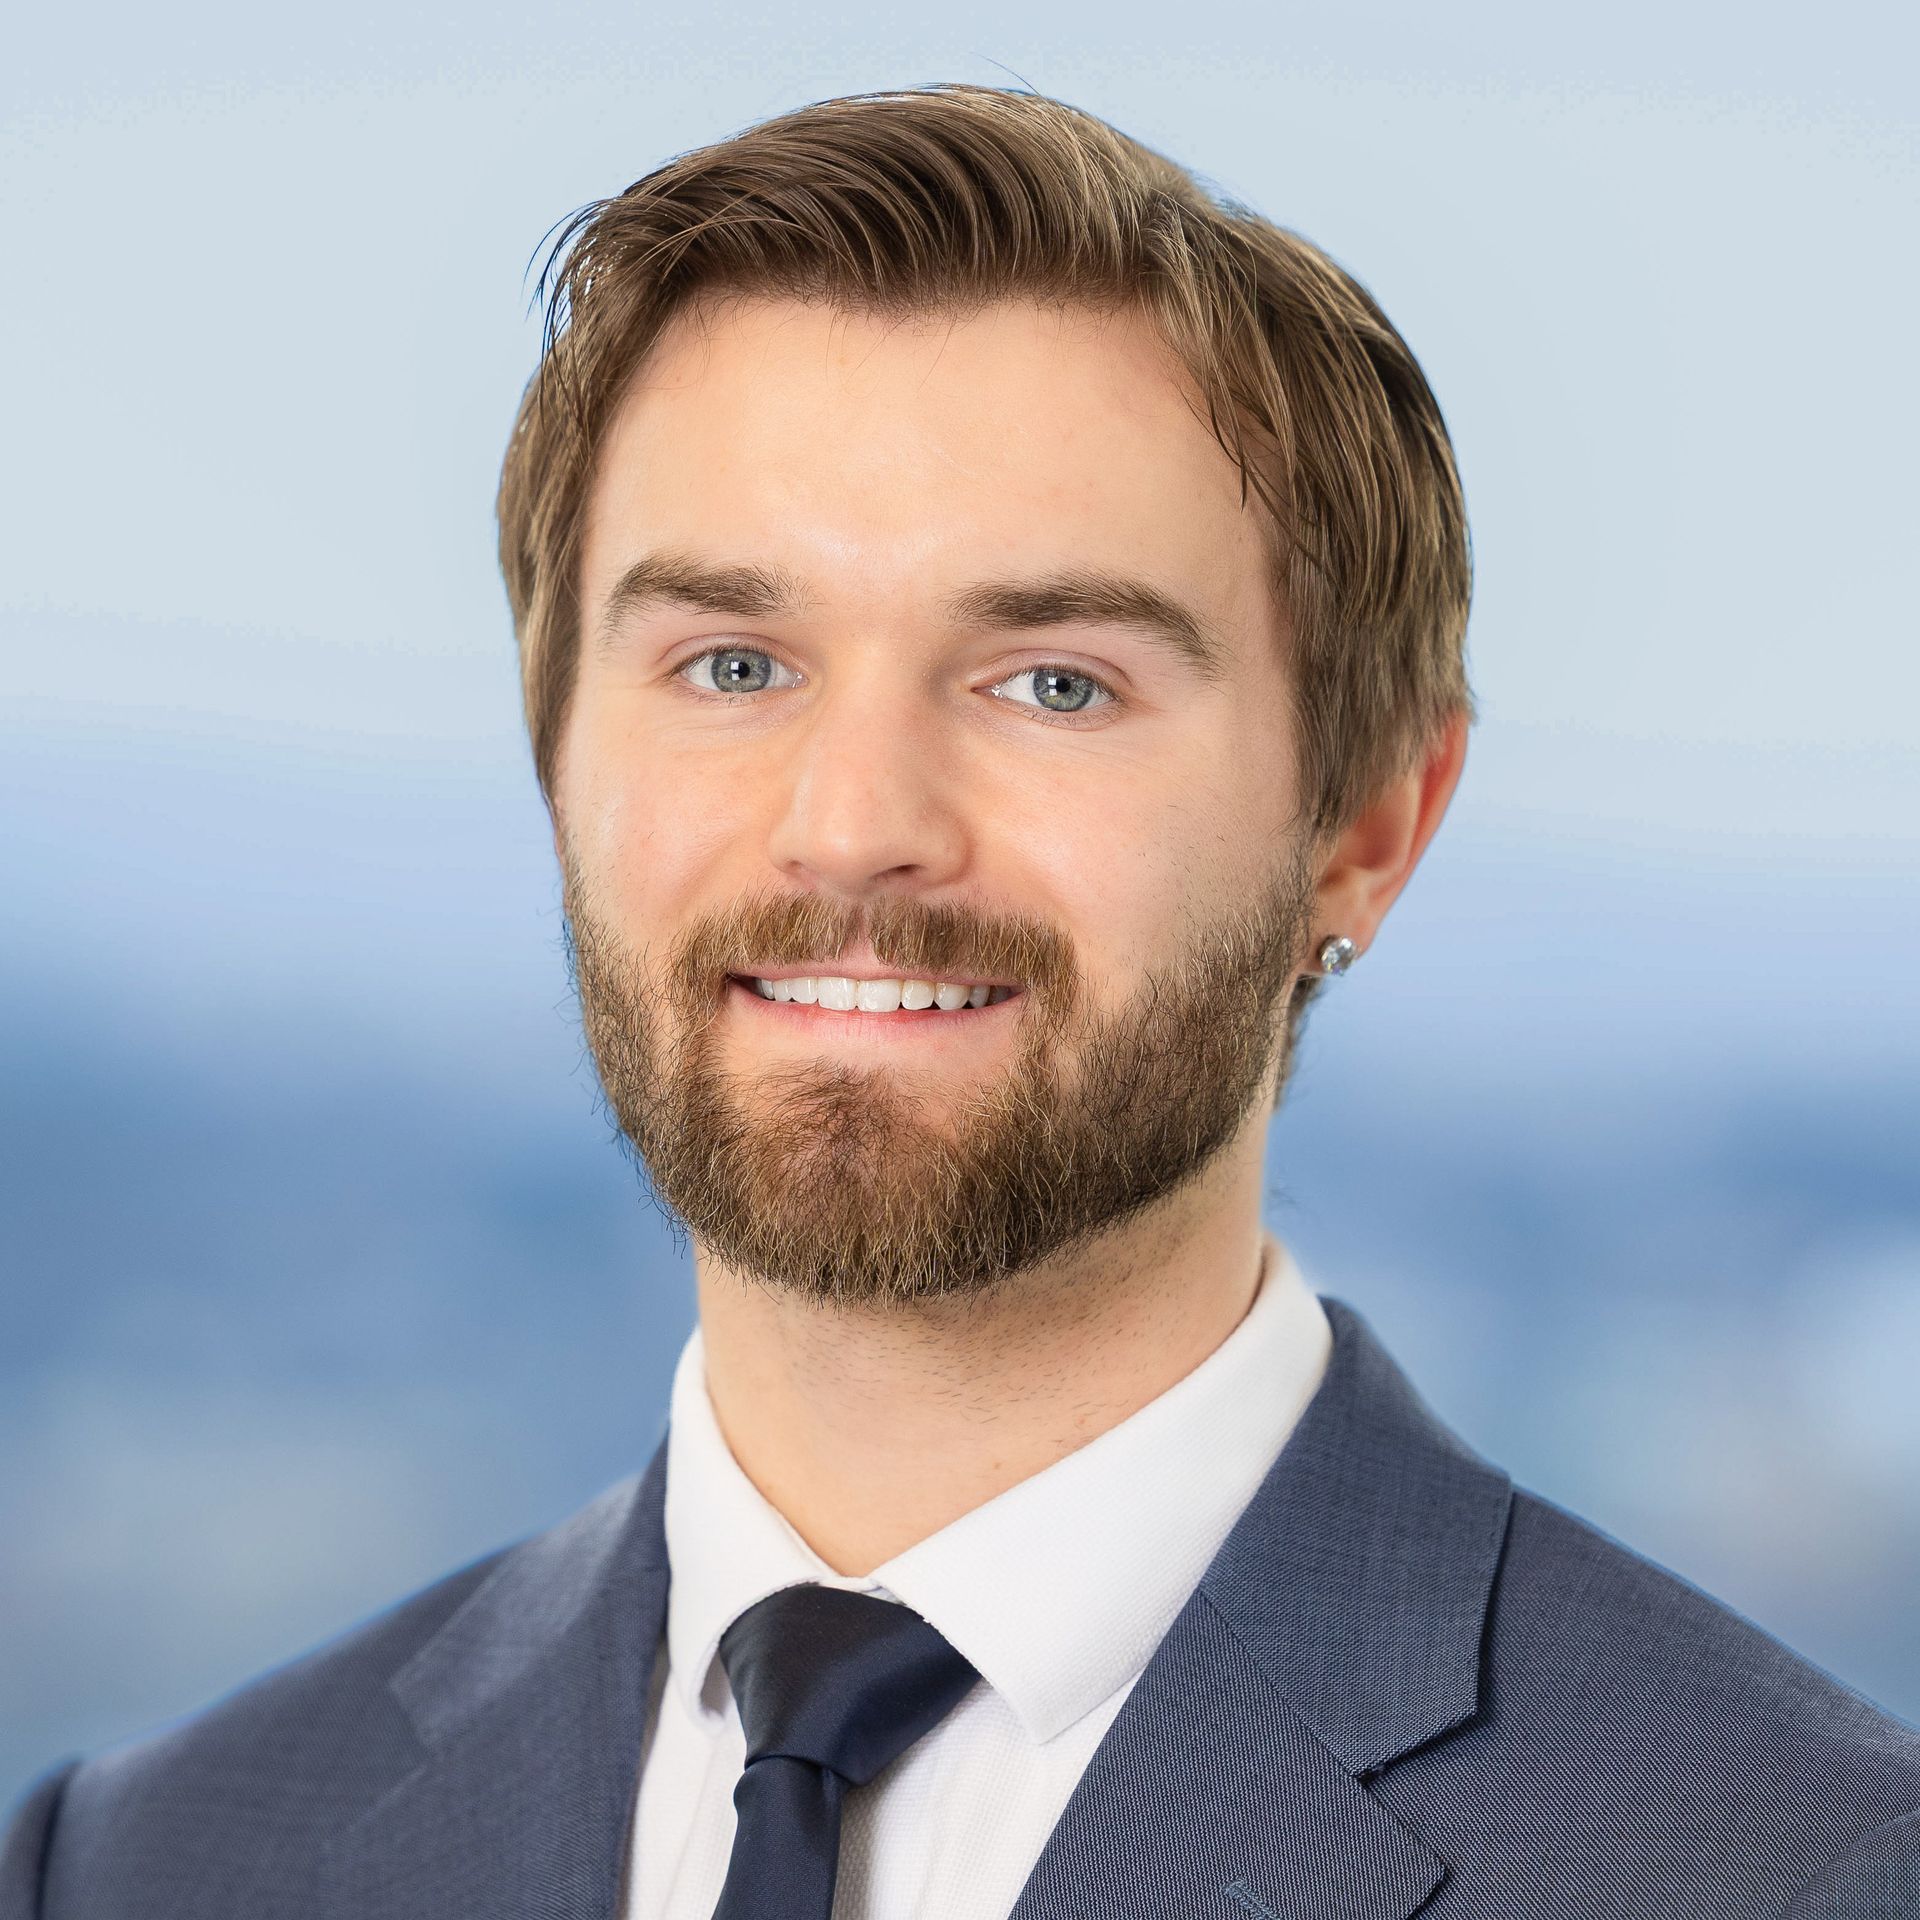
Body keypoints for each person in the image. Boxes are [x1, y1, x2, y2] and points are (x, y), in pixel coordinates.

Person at [4, 81, 1916, 1920]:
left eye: (1053, 682)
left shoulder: (1797, 1871)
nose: (854, 831)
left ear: (1369, 826)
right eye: (735, 663)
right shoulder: (142, 1867)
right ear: (556, 752)